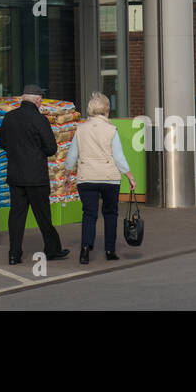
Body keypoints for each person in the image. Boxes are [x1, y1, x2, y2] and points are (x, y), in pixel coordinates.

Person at [0, 85, 70, 265]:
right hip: (36, 176)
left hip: (15, 175)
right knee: (43, 215)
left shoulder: (9, 117)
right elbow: (51, 148)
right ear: (38, 100)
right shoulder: (40, 120)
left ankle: (14, 254)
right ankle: (52, 249)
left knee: (16, 215)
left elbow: (3, 143)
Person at [64, 91, 136, 263]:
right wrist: (129, 176)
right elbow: (118, 157)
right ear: (106, 110)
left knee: (89, 213)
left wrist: (67, 174)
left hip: (86, 177)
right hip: (109, 178)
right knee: (110, 213)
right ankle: (110, 250)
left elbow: (72, 155)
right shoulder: (111, 130)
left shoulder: (80, 130)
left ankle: (85, 249)